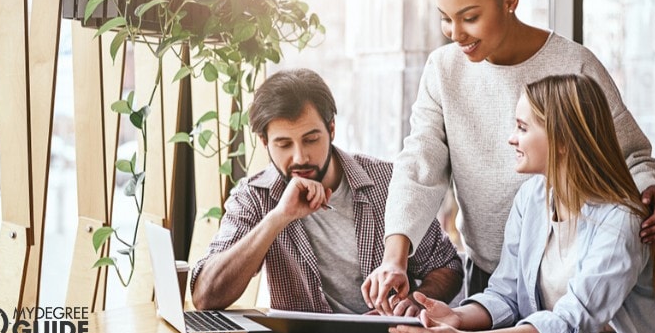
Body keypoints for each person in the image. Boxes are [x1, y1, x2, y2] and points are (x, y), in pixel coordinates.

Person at [362, 0, 655, 313]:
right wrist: (393, 258)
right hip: (496, 280)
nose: (455, 32)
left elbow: (631, 154)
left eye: (469, 16)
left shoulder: (573, 65)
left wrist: (649, 188)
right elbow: (419, 166)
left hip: (573, 274)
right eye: (445, 17)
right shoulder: (443, 69)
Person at [390, 74, 655, 333]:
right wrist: (456, 317)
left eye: (522, 128)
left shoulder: (622, 219)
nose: (512, 139)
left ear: (563, 140)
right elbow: (505, 294)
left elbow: (571, 322)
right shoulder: (531, 198)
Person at [190, 68, 464, 316]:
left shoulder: (388, 182)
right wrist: (278, 217)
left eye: (311, 139)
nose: (300, 157)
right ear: (264, 142)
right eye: (284, 144)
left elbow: (447, 266)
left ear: (331, 129)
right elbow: (205, 296)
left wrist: (415, 302)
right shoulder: (253, 197)